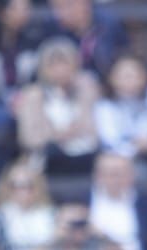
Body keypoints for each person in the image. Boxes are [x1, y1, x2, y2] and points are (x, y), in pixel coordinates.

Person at [17, 37, 101, 177]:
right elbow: (28, 138)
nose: (60, 70)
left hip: (84, 157)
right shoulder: (33, 95)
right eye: (53, 65)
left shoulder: (86, 90)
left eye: (64, 64)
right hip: (48, 159)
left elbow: (93, 131)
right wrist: (58, 135)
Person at [35, 0, 130, 79]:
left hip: (108, 88)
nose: (59, 14)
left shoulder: (109, 24)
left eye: (65, 6)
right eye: (56, 8)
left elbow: (123, 59)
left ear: (84, 3)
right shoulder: (52, 29)